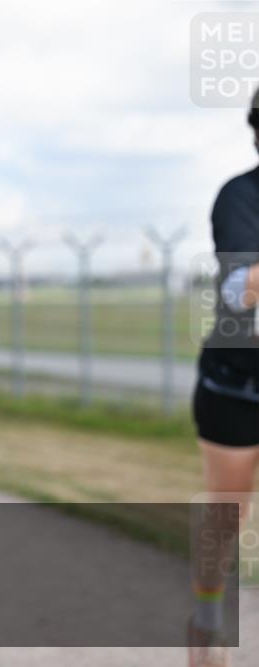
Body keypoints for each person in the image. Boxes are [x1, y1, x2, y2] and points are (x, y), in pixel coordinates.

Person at [187, 89, 259, 667]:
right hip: (237, 385)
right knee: (226, 516)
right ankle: (207, 617)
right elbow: (241, 290)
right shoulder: (240, 197)